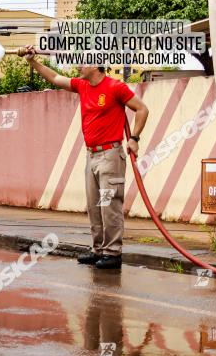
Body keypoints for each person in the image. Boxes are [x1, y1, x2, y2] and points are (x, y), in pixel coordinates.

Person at [22, 47, 149, 270]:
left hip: (110, 155)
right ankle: (98, 249)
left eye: (81, 62)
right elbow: (54, 77)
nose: (78, 66)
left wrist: (134, 138)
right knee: (94, 205)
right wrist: (33, 62)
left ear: (94, 65)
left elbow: (142, 109)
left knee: (109, 204)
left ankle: (113, 252)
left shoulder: (115, 87)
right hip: (91, 154)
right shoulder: (82, 86)